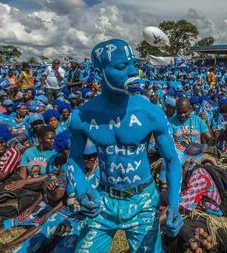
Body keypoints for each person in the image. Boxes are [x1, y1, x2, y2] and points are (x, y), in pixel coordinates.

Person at [69, 39, 183, 253]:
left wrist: (174, 205)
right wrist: (82, 191)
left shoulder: (150, 112)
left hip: (144, 202)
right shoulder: (81, 116)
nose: (133, 72)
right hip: (102, 200)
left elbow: (171, 159)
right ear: (99, 73)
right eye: (122, 67)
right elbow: (74, 158)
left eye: (133, 64)